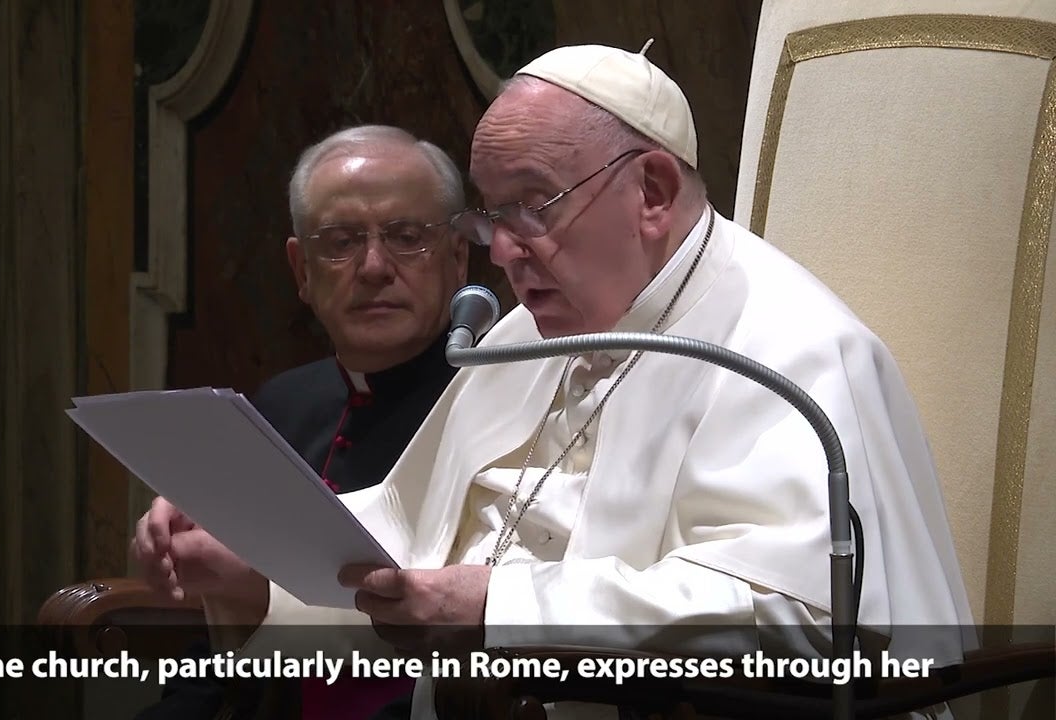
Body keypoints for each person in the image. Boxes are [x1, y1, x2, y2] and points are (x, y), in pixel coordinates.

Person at [141, 46, 975, 720]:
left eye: (533, 207)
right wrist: (255, 563)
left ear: (651, 191)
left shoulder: (790, 348)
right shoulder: (530, 333)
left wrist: (501, 609)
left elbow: (795, 620)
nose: (501, 252)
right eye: (491, 216)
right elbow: (411, 526)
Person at [132, 124, 468, 720]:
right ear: (302, 270)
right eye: (340, 241)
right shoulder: (283, 404)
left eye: (407, 236)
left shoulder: (500, 403)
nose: (373, 266)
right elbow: (216, 666)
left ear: (458, 256)